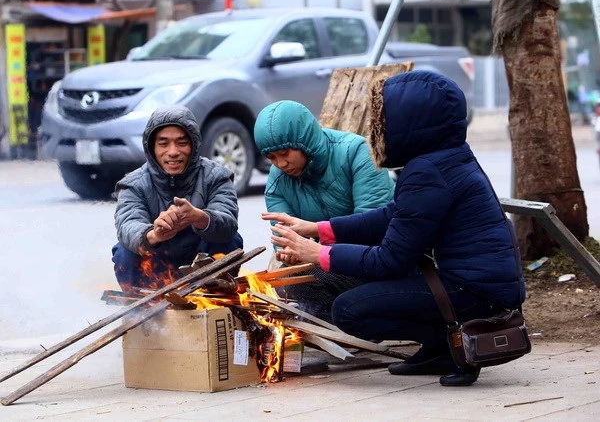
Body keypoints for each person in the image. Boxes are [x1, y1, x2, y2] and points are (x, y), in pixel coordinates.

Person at [262, 71, 526, 387]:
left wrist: (318, 253)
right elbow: (392, 214)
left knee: (350, 311)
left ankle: (452, 344)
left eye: (384, 119)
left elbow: (390, 260)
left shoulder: (427, 171)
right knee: (326, 285)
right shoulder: (441, 159)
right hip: (477, 284)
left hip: (477, 292)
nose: (379, 129)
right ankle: (439, 346)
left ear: (410, 121)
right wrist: (318, 228)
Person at [254, 100, 395, 321]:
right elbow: (286, 240)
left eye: (284, 153)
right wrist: (290, 254)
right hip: (328, 263)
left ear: (303, 140)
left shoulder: (357, 152)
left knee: (308, 281)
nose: (280, 164)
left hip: (378, 259)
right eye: (271, 158)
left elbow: (371, 228)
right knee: (282, 284)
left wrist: (317, 249)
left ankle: (366, 321)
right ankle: (349, 325)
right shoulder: (277, 181)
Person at [112, 105, 243, 292]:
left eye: (182, 143)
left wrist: (199, 217)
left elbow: (227, 221)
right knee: (125, 251)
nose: (173, 152)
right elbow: (128, 225)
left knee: (230, 240)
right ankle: (144, 312)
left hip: (201, 263)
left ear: (194, 145)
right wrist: (154, 235)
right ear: (151, 148)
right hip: (158, 264)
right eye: (163, 144)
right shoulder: (133, 184)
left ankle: (214, 301)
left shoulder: (216, 176)